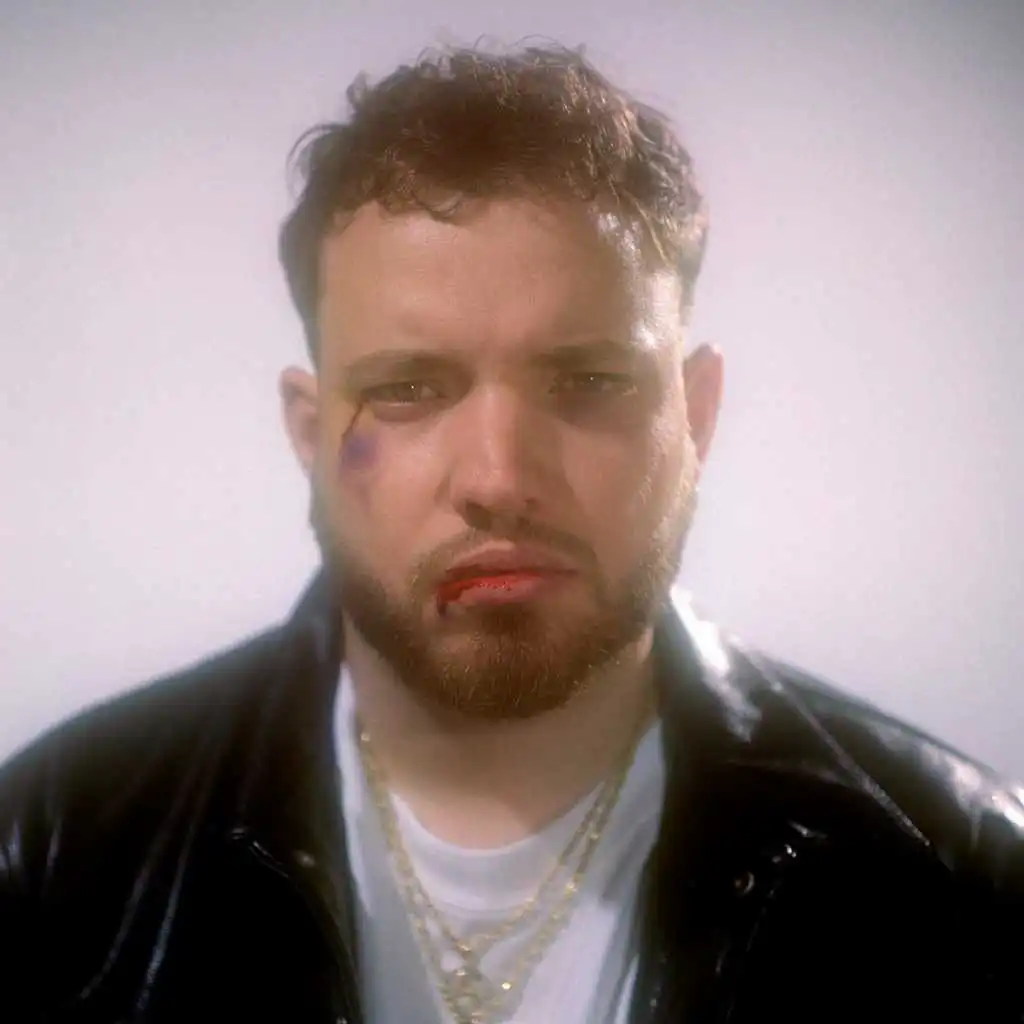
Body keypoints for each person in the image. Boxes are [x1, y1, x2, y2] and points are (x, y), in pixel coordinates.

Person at [1, 41, 1022, 1024]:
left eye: (589, 382)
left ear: (697, 418)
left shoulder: (961, 879)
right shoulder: (49, 854)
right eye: (409, 389)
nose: (497, 480)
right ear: (311, 438)